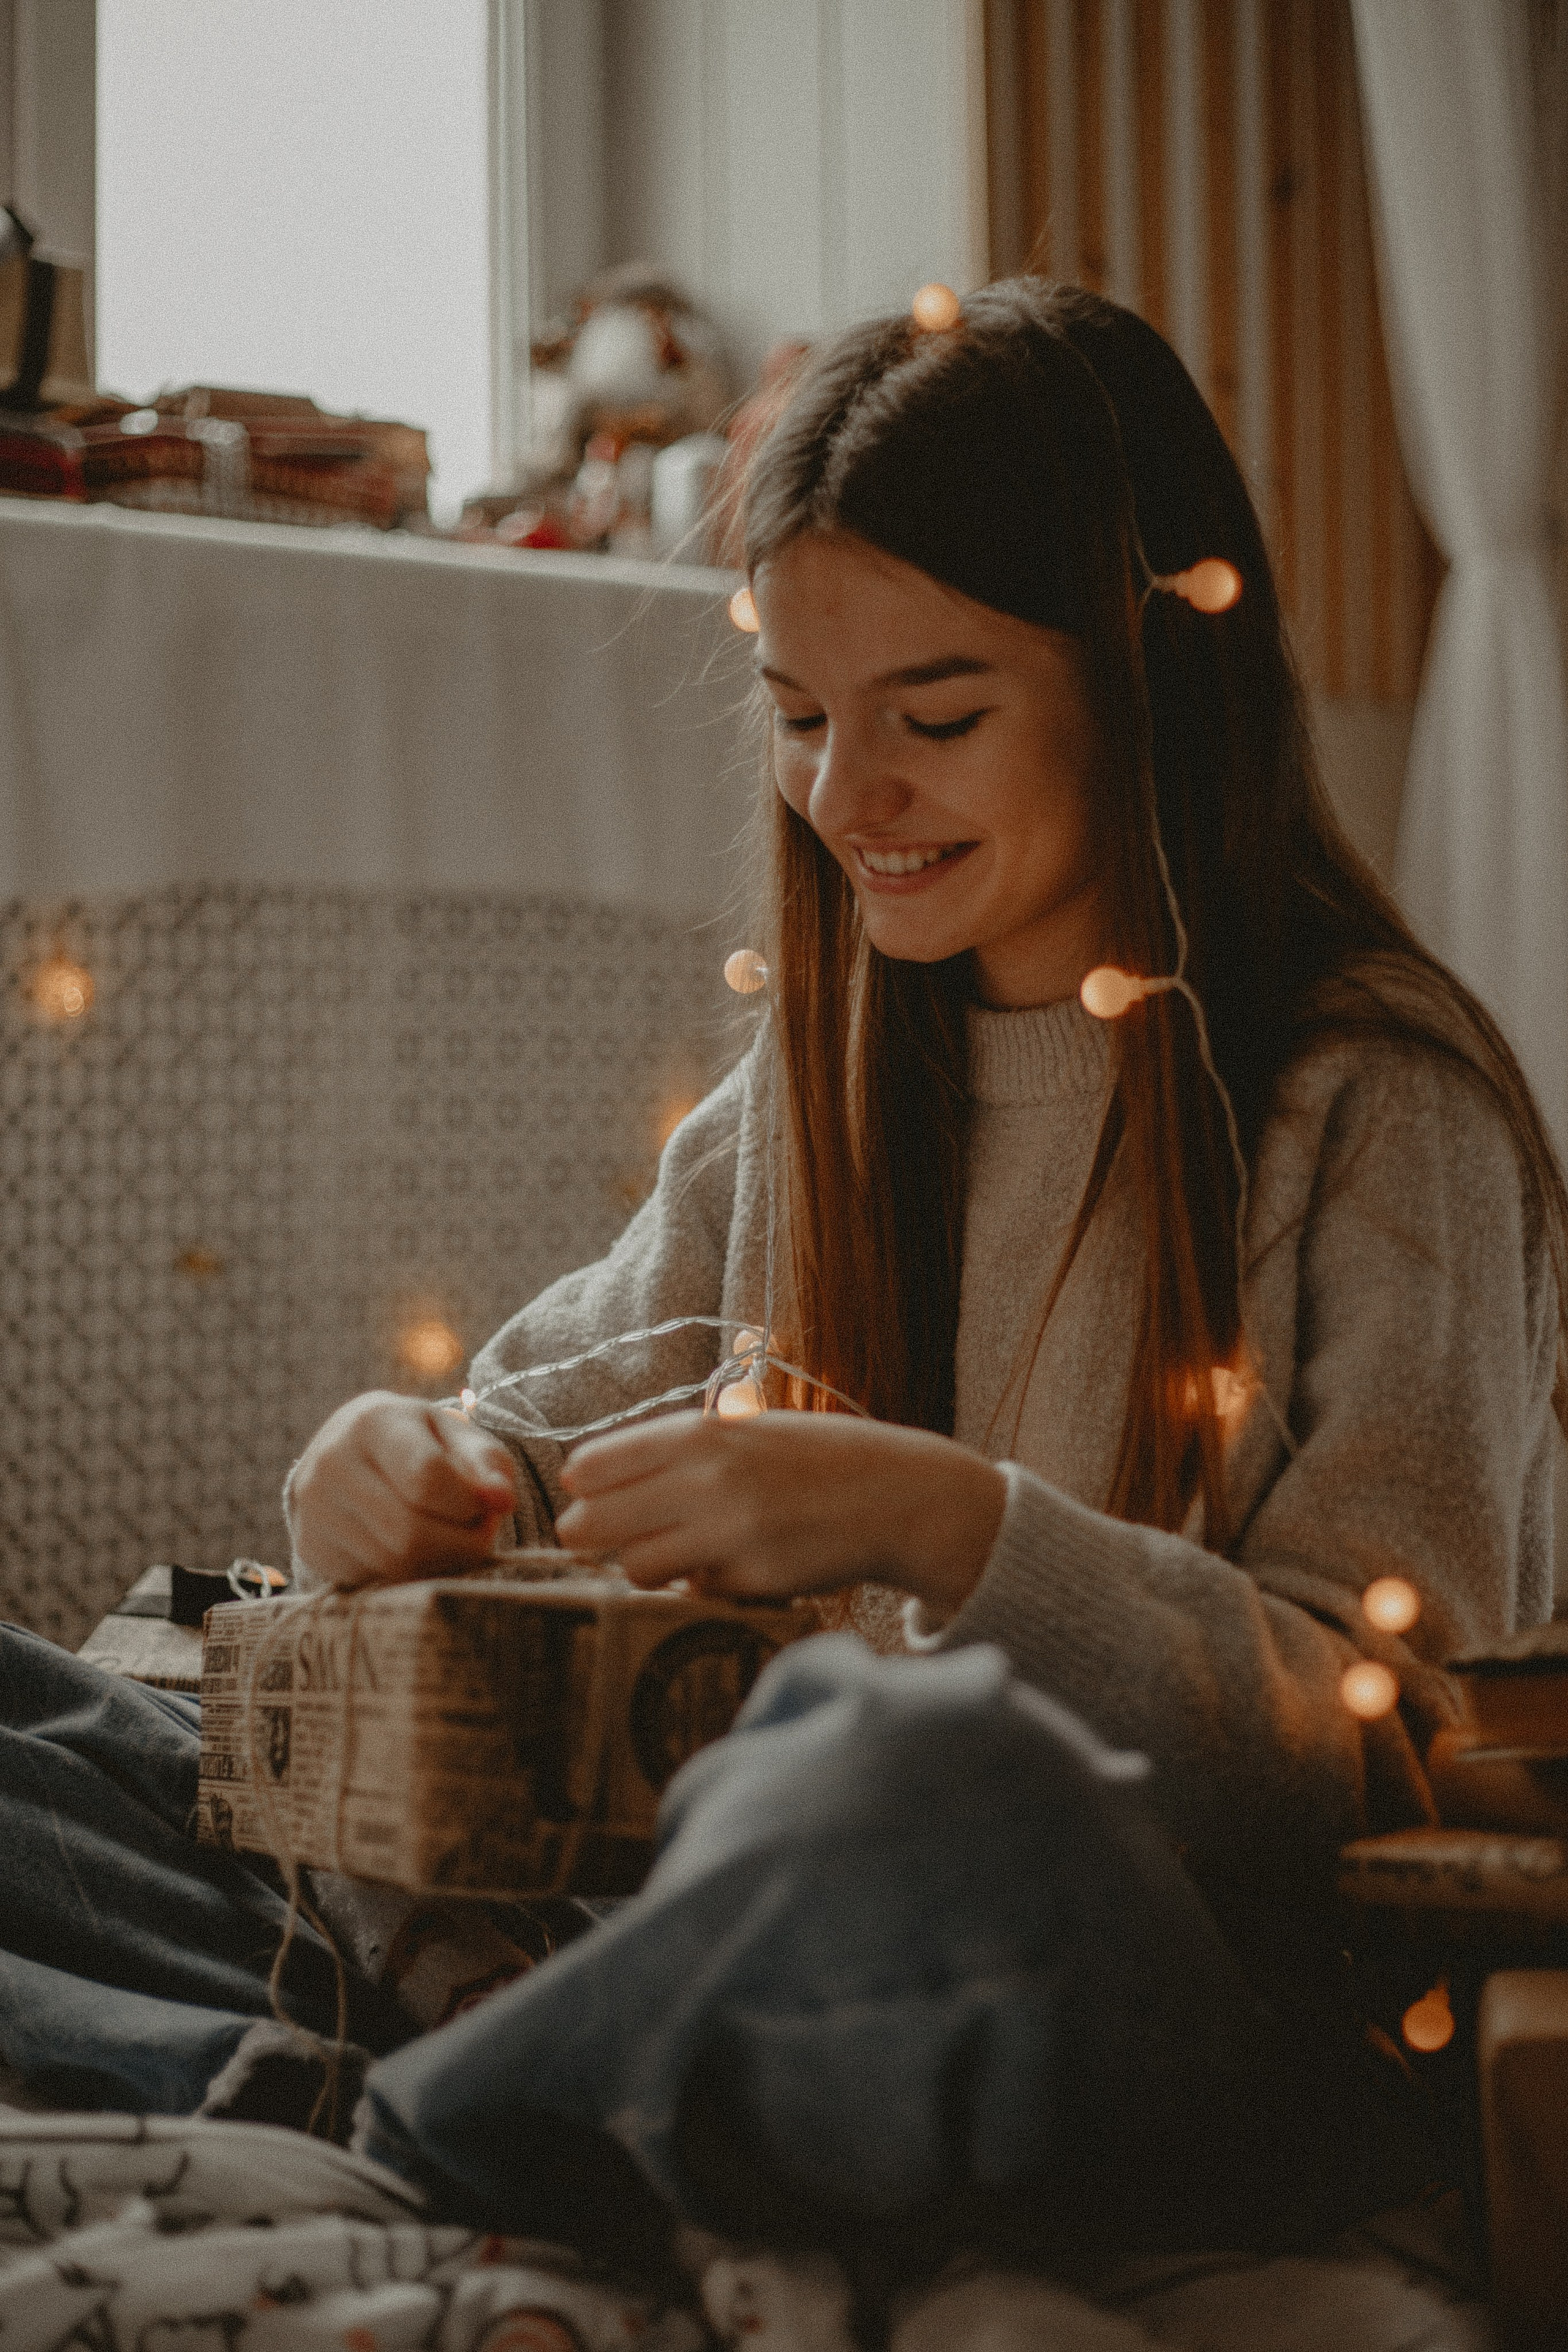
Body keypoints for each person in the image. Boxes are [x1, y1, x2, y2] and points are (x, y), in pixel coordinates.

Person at [2, 281, 1562, 2297]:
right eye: (804, 719)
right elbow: (528, 1425)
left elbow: (1390, 1753)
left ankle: (414, 2122)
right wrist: (394, 1467)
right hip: (720, 1956)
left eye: (936, 719)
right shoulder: (825, 1080)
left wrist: (950, 1526)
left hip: (1138, 2009)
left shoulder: (1378, 1110)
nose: (844, 799)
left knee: (913, 1777)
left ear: (1153, 678)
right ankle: (456, 2079)